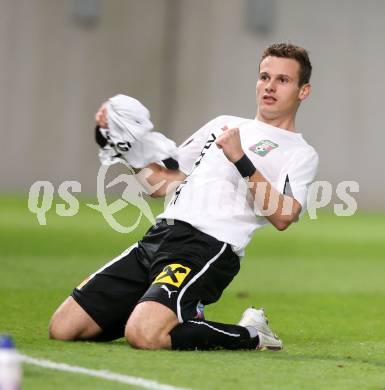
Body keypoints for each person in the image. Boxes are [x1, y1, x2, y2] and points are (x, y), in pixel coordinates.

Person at [49, 43, 318, 351]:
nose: (270, 86)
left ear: (303, 90)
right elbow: (162, 186)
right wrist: (128, 149)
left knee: (144, 335)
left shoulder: (300, 153)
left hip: (207, 248)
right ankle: (170, 312)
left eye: (282, 80)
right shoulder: (223, 124)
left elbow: (284, 216)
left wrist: (241, 158)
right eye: (264, 76)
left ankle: (253, 335)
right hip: (159, 237)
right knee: (64, 327)